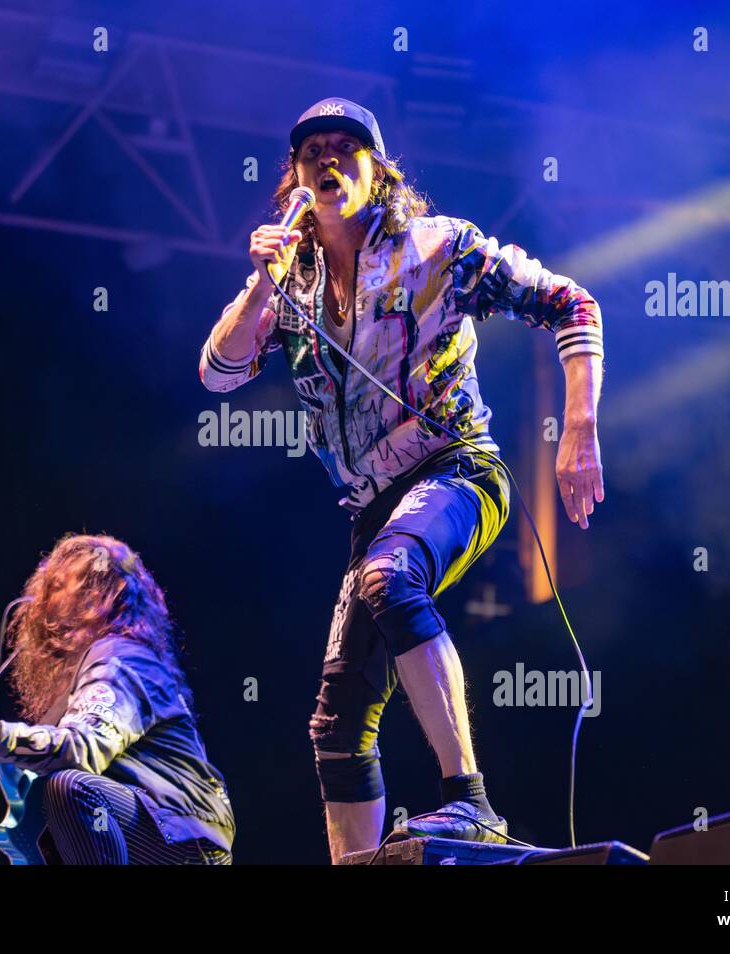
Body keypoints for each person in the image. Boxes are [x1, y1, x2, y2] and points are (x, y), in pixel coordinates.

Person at [198, 98, 605, 863]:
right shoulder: (290, 285)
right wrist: (262, 281)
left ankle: (471, 803)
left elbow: (570, 303)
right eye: (311, 150)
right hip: (373, 508)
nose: (327, 160)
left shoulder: (438, 248)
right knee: (336, 725)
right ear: (293, 181)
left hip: (459, 472)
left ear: (376, 171)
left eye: (344, 148)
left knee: (389, 578)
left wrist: (578, 430)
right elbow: (218, 373)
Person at [0, 533, 235, 864]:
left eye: (63, 584)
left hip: (182, 835)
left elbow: (79, 751)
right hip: (150, 828)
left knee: (71, 788)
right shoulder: (86, 674)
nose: (45, 597)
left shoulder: (121, 659)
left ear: (105, 594)